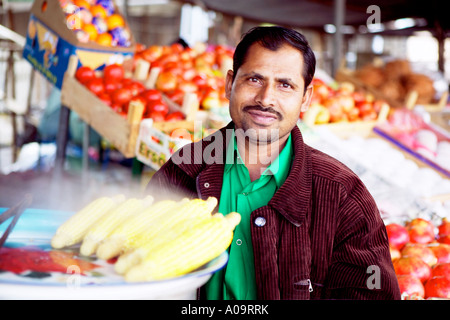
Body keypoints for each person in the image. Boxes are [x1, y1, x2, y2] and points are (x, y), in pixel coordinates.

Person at [146, 26, 401, 300]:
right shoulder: (183, 170)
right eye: (254, 79)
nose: (266, 99)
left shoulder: (341, 194)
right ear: (230, 83)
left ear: (306, 98)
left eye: (285, 85)